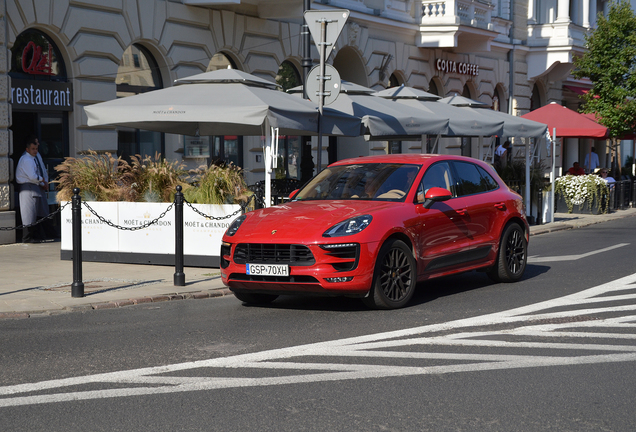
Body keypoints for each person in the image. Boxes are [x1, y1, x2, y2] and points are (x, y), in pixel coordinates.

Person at [16, 135, 51, 243]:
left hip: (34, 186)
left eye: (36, 148)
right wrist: (42, 180)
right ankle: (27, 238)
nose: (35, 150)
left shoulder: (32, 158)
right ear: (27, 149)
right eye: (33, 148)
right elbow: (32, 176)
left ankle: (36, 235)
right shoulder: (26, 159)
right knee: (28, 213)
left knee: (35, 212)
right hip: (28, 186)